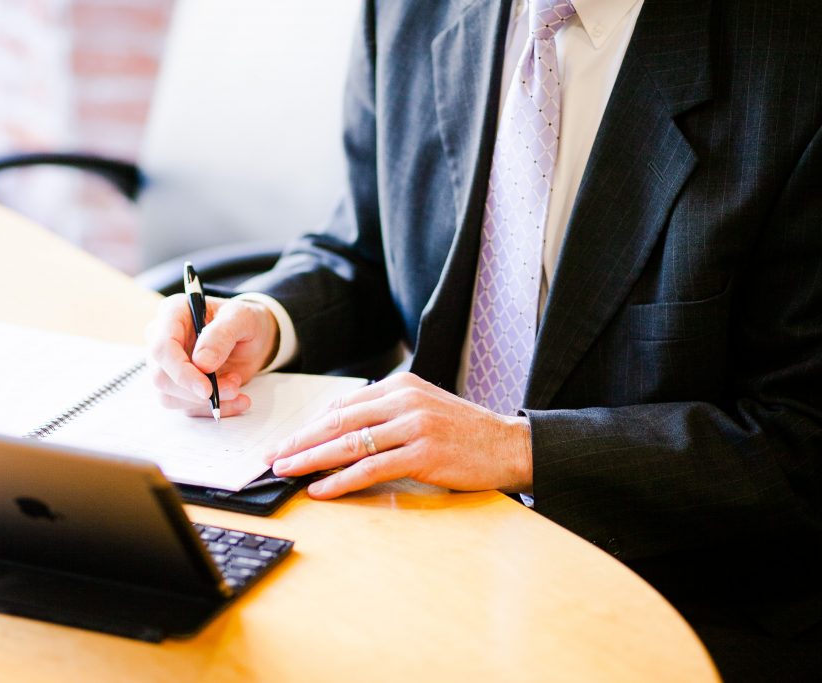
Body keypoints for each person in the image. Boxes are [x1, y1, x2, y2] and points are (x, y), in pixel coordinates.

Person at [147, 0, 822, 677]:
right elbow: (362, 249)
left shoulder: (794, 65)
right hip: (411, 534)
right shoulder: (408, 12)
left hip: (663, 589)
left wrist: (514, 447)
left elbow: (800, 438)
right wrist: (264, 320)